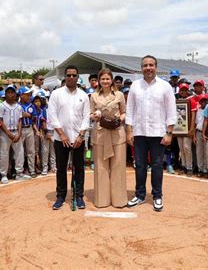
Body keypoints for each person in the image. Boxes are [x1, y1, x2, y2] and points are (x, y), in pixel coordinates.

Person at [126, 55, 176, 212]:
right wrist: (129, 131)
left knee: (156, 166)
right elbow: (130, 110)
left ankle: (157, 196)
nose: (148, 68)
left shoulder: (165, 86)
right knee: (139, 165)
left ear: (156, 67)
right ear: (141, 68)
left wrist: (169, 133)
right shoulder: (135, 85)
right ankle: (140, 195)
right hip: (139, 133)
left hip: (158, 133)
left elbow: (171, 111)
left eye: (151, 65)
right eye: (145, 65)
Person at [47, 65, 90, 210]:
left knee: (79, 169)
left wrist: (81, 136)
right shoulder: (56, 94)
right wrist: (62, 134)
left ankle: (78, 196)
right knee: (61, 168)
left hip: (79, 139)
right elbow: (52, 116)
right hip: (61, 140)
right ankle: (61, 196)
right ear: (65, 77)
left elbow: (86, 118)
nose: (71, 77)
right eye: (69, 75)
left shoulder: (83, 96)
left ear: (78, 78)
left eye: (74, 75)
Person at [89, 68, 127, 208]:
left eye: (107, 79)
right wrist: (95, 116)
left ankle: (119, 200)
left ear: (111, 80)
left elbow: (124, 112)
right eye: (102, 79)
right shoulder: (93, 96)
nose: (105, 81)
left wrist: (119, 119)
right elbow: (91, 114)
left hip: (117, 133)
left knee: (118, 166)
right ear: (99, 81)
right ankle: (101, 200)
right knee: (101, 167)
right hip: (100, 133)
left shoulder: (119, 95)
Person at [0, 85, 30, 184]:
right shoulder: (1, 105)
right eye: (8, 92)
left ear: (15, 94)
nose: (10, 94)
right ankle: (4, 174)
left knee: (20, 153)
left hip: (16, 131)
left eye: (12, 92)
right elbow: (0, 121)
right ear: (5, 94)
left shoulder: (18, 106)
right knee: (4, 153)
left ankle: (19, 173)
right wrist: (9, 134)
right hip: (5, 133)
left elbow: (20, 120)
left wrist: (19, 133)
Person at [18, 86, 36, 177]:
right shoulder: (17, 106)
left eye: (30, 95)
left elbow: (34, 118)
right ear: (21, 95)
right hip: (20, 130)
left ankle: (32, 169)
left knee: (31, 151)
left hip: (29, 129)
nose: (29, 96)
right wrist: (22, 114)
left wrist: (29, 116)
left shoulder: (31, 105)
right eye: (27, 95)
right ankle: (19, 170)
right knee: (20, 151)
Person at [193, 94, 208, 177]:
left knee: (206, 152)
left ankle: (206, 169)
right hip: (199, 132)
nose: (203, 102)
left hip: (207, 133)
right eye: (202, 101)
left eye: (205, 100)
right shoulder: (198, 110)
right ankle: (200, 169)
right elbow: (196, 124)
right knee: (199, 152)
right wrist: (194, 136)